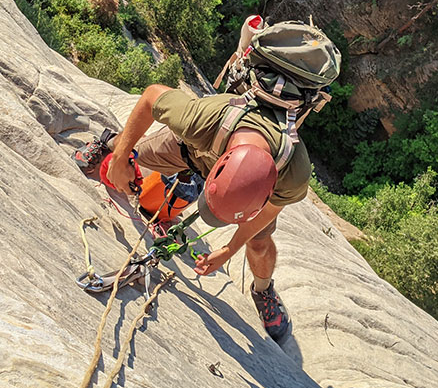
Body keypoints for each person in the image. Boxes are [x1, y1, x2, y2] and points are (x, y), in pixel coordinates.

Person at [75, 83, 312, 342]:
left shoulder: (292, 174)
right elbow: (152, 96)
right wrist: (121, 158)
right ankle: (107, 141)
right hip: (193, 149)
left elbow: (267, 213)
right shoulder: (201, 121)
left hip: (241, 169)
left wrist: (229, 249)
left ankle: (263, 290)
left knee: (259, 243)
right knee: (134, 151)